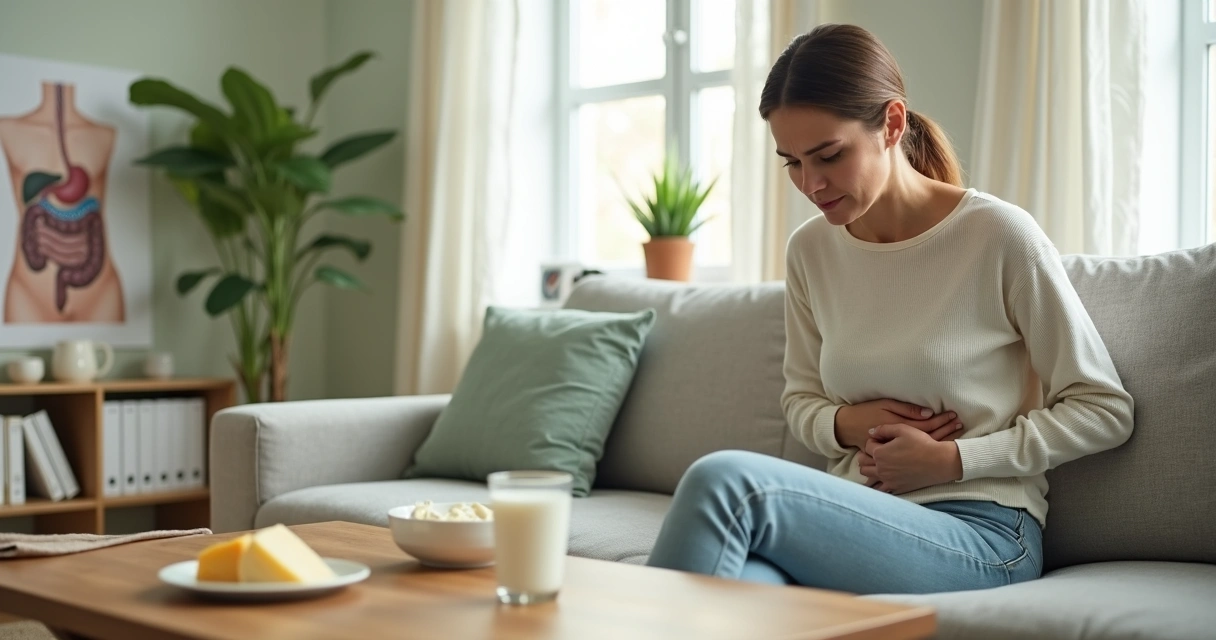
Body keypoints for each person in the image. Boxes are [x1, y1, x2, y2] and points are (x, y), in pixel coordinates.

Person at [643, 24, 1134, 594]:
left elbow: (1104, 409)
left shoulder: (999, 237)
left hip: (984, 532)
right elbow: (801, 399)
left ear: (892, 124)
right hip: (856, 512)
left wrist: (954, 459)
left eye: (829, 155)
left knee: (727, 482)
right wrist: (847, 422)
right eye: (792, 163)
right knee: (742, 590)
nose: (811, 183)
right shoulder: (811, 251)